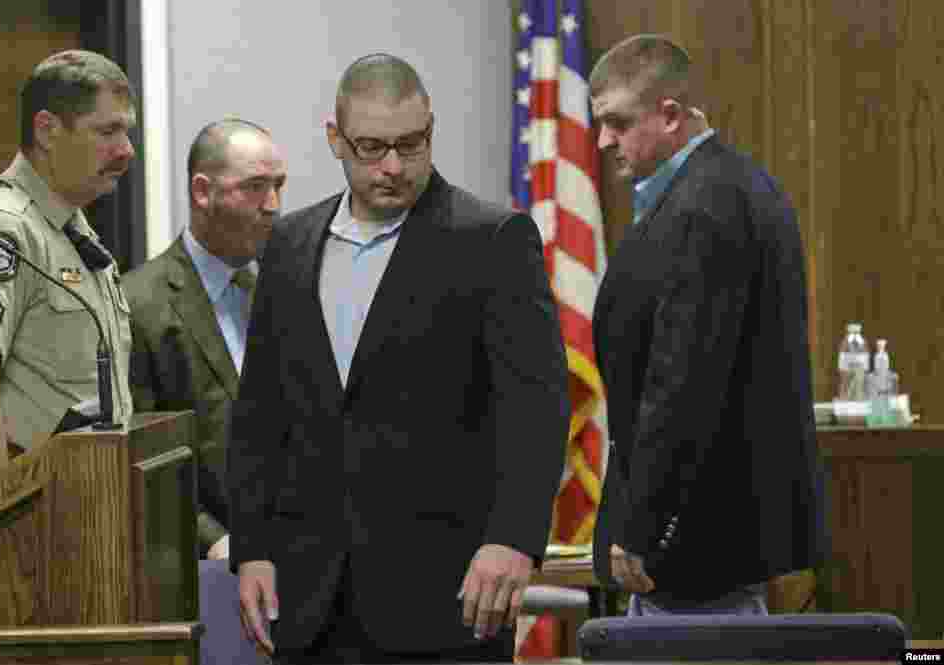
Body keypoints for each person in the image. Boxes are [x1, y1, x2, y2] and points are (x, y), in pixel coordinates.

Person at [229, 53, 570, 663]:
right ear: (335, 139)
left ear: (430, 130)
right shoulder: (287, 245)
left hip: (448, 595)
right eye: (371, 147)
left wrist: (514, 541)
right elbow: (261, 413)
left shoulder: (491, 239)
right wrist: (253, 549)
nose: (392, 166)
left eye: (411, 145)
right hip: (310, 602)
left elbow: (535, 408)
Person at [588, 34, 827, 615]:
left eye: (618, 123)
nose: (602, 141)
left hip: (697, 544)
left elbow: (684, 383)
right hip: (714, 537)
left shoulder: (705, 206)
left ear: (669, 115)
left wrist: (642, 522)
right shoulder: (734, 185)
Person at [0, 50, 137, 486]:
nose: (126, 150)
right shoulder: (1, 231)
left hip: (86, 508)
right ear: (47, 130)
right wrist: (1, 538)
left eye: (127, 132)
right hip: (26, 526)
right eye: (108, 131)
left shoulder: (71, 230)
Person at [123, 119, 287, 560]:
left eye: (278, 186)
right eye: (254, 187)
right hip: (197, 568)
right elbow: (142, 461)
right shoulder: (139, 304)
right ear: (202, 192)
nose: (272, 205)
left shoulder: (287, 290)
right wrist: (213, 541)